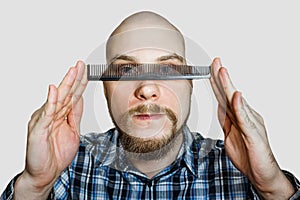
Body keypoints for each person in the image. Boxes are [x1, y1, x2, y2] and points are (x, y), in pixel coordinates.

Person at [1, 11, 300, 200]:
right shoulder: (66, 168)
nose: (146, 89)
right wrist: (35, 186)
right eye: (125, 71)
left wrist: (272, 186)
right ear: (104, 89)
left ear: (190, 85)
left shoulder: (240, 171)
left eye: (168, 70)